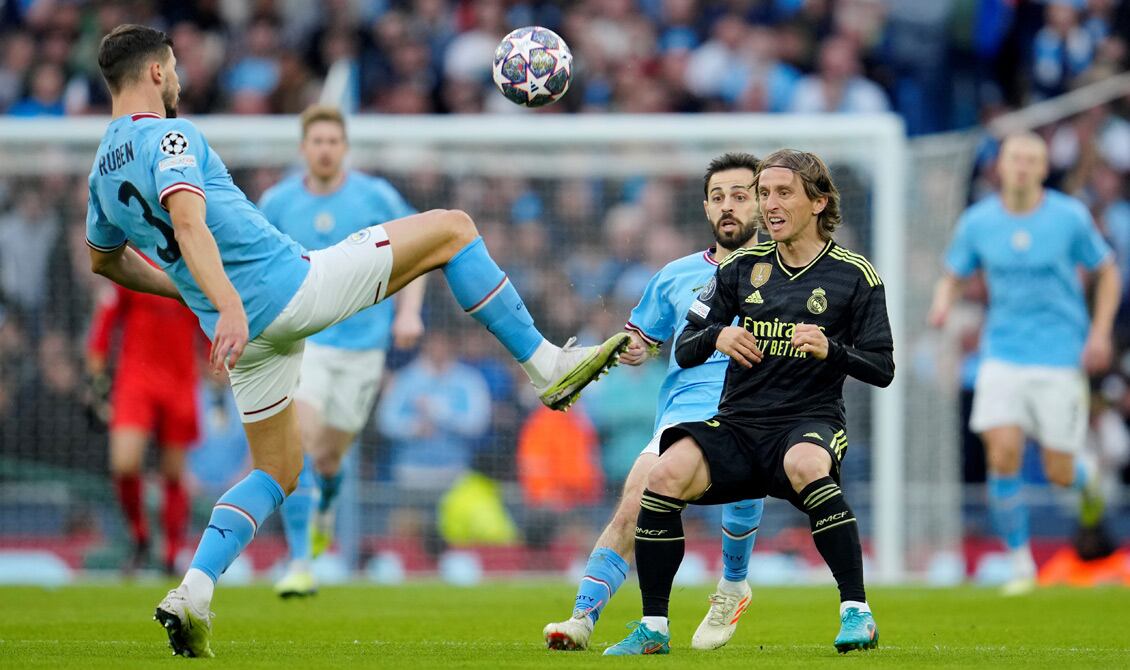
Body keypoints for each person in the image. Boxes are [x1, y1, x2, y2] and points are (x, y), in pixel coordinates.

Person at [85, 24, 630, 658]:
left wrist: (196, 295)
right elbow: (187, 218)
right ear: (156, 73)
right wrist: (226, 300)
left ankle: (194, 590)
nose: (177, 78)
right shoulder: (173, 135)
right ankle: (546, 365)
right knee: (453, 228)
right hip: (289, 290)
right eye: (173, 67)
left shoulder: (100, 168)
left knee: (278, 470)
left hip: (245, 337)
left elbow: (105, 261)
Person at [604, 149, 894, 656]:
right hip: (737, 424)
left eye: (783, 193)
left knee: (807, 463)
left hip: (809, 419)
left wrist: (834, 350)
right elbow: (687, 344)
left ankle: (857, 612)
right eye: (765, 194)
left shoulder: (856, 275)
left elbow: (882, 367)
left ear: (818, 201)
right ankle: (653, 627)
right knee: (662, 476)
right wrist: (717, 336)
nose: (770, 204)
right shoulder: (740, 268)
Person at [543, 152, 766, 653]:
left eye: (739, 195)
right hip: (682, 413)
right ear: (706, 209)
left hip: (755, 409)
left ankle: (734, 585)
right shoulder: (674, 276)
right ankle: (581, 618)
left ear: (761, 202)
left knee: (748, 483)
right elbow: (641, 340)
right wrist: (632, 348)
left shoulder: (784, 274)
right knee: (632, 505)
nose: (727, 206)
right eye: (717, 198)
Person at [928, 132, 1117, 596]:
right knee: (1002, 452)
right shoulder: (978, 222)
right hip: (1003, 355)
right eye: (1015, 158)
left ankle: (1088, 479)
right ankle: (1019, 564)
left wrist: (1099, 333)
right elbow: (955, 274)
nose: (1022, 166)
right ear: (1001, 166)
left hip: (1058, 357)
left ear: (1042, 166)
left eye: (1031, 159)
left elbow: (1107, 269)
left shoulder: (1068, 217)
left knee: (1058, 470)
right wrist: (941, 305)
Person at [257, 104, 427, 598]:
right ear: (303, 148)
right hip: (303, 342)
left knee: (330, 458)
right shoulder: (277, 202)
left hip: (363, 347)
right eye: (318, 141)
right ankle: (300, 561)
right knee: (302, 440)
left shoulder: (375, 196)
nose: (326, 149)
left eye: (334, 141)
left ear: (345, 148)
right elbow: (258, 265)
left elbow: (417, 253)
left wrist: (408, 312)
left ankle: (324, 505)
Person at [87, 278, 202, 575]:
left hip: (181, 380)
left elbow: (209, 320)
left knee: (174, 473)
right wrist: (97, 381)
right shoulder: (132, 258)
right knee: (124, 464)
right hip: (136, 380)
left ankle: (172, 553)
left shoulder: (194, 264)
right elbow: (105, 321)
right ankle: (139, 536)